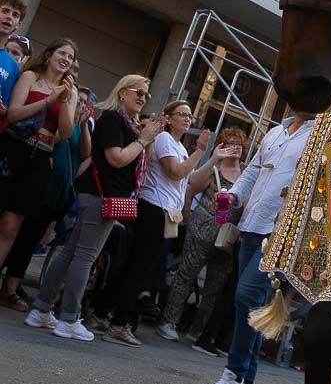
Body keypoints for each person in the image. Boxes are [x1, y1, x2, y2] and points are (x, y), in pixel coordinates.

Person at [26, 75, 163, 340]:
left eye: (146, 95)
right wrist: (142, 140)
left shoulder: (127, 123)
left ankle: (42, 308)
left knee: (71, 253)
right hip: (101, 197)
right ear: (122, 93)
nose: (143, 98)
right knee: (85, 257)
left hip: (100, 196)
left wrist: (146, 137)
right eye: (138, 92)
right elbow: (117, 158)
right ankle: (68, 317)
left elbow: (136, 160)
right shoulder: (113, 119)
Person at [200, 112, 314, 384]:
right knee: (253, 304)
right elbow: (252, 172)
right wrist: (234, 195)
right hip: (252, 224)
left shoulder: (319, 135)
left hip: (280, 231)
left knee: (247, 294)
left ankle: (234, 374)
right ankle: (247, 380)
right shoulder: (275, 132)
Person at [94, 100, 210, 347]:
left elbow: (191, 180)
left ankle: (102, 312)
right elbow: (175, 172)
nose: (187, 119)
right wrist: (200, 151)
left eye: (190, 116)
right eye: (182, 114)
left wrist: (212, 158)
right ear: (169, 118)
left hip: (167, 211)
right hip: (154, 207)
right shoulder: (164, 139)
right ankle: (119, 322)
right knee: (138, 268)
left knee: (137, 266)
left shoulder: (180, 146)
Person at [0, 85, 93, 311]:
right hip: (40, 178)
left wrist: (82, 123)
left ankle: (11, 287)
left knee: (30, 237)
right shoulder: (58, 113)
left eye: (84, 102)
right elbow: (54, 139)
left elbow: (85, 153)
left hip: (58, 191)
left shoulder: (81, 125)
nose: (80, 105)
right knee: (11, 229)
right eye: (78, 100)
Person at [156, 126, 246, 349]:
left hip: (227, 235)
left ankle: (198, 329)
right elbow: (191, 188)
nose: (235, 148)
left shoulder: (246, 173)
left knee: (216, 285)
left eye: (239, 144)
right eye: (230, 144)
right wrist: (188, 218)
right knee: (186, 274)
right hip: (202, 228)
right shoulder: (213, 168)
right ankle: (169, 321)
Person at [0, 37, 78, 272]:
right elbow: (13, 114)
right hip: (13, 147)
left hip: (40, 157)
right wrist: (48, 100)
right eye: (62, 53)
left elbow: (65, 132)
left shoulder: (70, 92)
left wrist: (63, 100)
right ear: (50, 54)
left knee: (10, 225)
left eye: (71, 57)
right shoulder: (30, 77)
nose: (66, 59)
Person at [0, 0, 27, 123]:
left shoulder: (13, 66)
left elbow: (4, 110)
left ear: (18, 25)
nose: (9, 17)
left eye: (15, 15)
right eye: (5, 11)